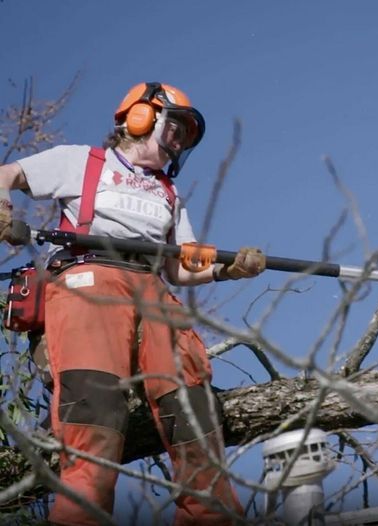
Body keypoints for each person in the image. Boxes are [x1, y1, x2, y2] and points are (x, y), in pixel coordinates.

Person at [0, 82, 265, 525]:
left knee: (193, 414)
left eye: (186, 136)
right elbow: (6, 173)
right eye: (175, 128)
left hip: (153, 291)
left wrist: (228, 268)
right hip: (89, 284)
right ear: (140, 117)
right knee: (94, 424)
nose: (179, 142)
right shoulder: (81, 162)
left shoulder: (168, 194)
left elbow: (182, 265)